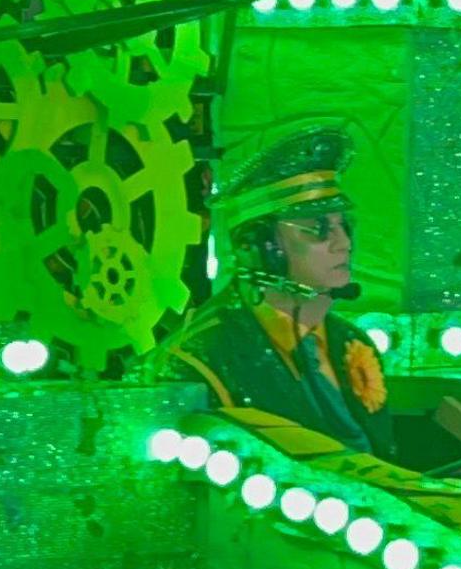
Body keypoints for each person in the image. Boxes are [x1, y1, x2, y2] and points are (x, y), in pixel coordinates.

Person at [168, 125, 403, 459]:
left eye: (343, 226)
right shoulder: (198, 360)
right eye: (319, 229)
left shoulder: (353, 343)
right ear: (260, 248)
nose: (344, 244)